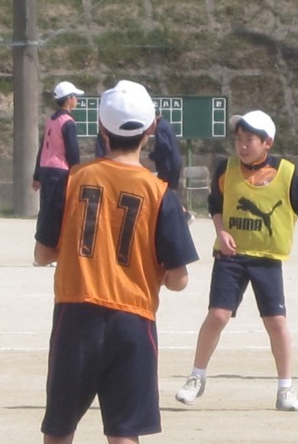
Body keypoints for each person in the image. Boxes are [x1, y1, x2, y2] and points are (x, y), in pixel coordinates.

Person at [34, 79, 199, 443]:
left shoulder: (73, 180)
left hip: (76, 313)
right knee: (124, 432)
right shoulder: (159, 193)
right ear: (151, 128)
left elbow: (43, 254)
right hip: (133, 320)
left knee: (59, 429)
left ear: (101, 129)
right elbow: (179, 279)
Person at [174, 109, 298, 411]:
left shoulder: (286, 172)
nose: (242, 145)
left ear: (267, 142)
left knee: (276, 322)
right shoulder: (226, 169)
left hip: (267, 259)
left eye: (249, 139)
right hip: (231, 257)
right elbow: (215, 205)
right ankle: (197, 377)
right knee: (217, 316)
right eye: (239, 139)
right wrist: (221, 231)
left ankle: (285, 388)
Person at [32, 81, 83, 242]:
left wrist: (36, 175)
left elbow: (43, 148)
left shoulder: (51, 120)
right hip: (60, 171)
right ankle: (53, 245)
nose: (77, 100)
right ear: (69, 99)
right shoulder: (68, 122)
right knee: (58, 211)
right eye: (75, 97)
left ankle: (41, 244)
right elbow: (72, 151)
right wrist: (77, 172)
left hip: (45, 168)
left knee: (46, 210)